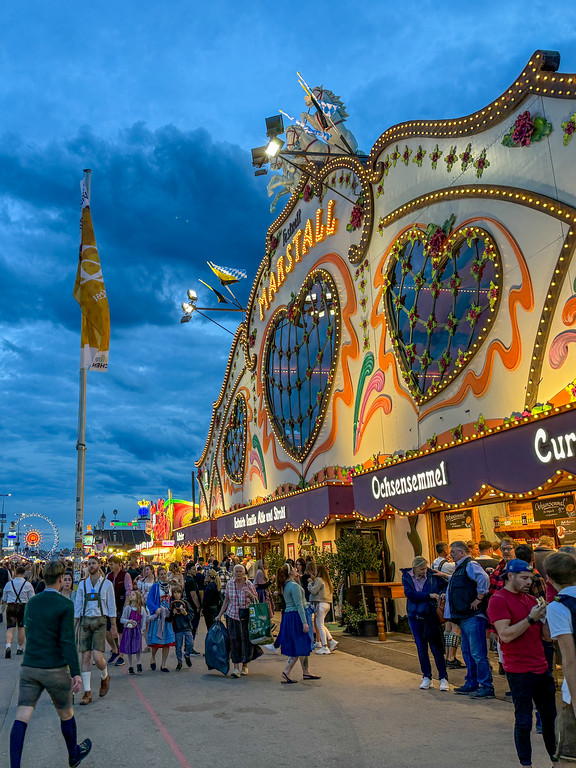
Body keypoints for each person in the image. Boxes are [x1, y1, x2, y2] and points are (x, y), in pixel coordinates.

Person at [9, 561, 91, 768]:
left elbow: (29, 630)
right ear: (60, 578)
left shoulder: (33, 603)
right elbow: (67, 641)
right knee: (66, 714)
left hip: (30, 667)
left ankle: (15, 764)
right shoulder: (65, 605)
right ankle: (73, 753)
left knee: (22, 716)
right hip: (54, 668)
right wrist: (76, 672)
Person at [488, 558, 557, 767]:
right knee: (524, 720)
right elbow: (505, 635)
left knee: (550, 720)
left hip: (540, 666)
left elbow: (546, 638)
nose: (529, 582)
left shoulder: (530, 600)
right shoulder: (498, 600)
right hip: (518, 669)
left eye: (531, 578)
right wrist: (530, 619)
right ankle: (526, 764)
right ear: (510, 576)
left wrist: (544, 617)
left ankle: (556, 761)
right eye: (524, 578)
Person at [445, 540, 494, 698]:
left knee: (478, 653)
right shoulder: (461, 567)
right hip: (464, 616)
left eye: (454, 551)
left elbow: (484, 579)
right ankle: (472, 682)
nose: (451, 554)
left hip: (473, 616)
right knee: (467, 652)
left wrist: (479, 598)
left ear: (462, 552)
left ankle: (486, 685)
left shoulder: (470, 564)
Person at [546, 551, 576, 761]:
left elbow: (569, 658)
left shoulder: (558, 606)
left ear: (549, 579)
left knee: (566, 758)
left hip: (572, 693)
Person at [402, 556, 449, 690]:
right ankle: (426, 676)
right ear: (415, 568)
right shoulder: (407, 577)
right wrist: (429, 595)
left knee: (436, 647)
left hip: (430, 615)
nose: (424, 571)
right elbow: (410, 594)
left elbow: (445, 584)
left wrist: (442, 594)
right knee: (421, 648)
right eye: (421, 569)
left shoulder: (432, 575)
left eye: (425, 568)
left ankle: (443, 678)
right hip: (414, 615)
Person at [74, 555, 116, 705]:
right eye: (89, 563)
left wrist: (114, 626)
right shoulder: (82, 585)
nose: (91, 566)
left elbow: (111, 606)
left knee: (98, 658)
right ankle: (87, 693)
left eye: (93, 563)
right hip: (85, 621)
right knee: (85, 657)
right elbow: (78, 606)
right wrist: (75, 625)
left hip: (100, 622)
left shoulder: (107, 584)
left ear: (99, 565)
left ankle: (105, 676)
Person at [215, 564, 262, 678]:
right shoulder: (230, 584)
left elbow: (256, 600)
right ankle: (236, 667)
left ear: (244, 572)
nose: (239, 573)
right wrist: (220, 614)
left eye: (241, 571)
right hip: (232, 616)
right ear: (233, 572)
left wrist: (250, 595)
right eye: (237, 571)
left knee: (246, 641)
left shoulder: (249, 584)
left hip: (246, 617)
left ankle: (245, 665)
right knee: (234, 641)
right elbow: (226, 600)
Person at [275, 563, 319, 684]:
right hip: (296, 616)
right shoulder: (293, 586)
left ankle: (305, 671)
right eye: (293, 569)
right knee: (300, 644)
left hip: (290, 615)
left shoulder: (287, 585)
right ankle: (287, 671)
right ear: (290, 573)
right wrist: (305, 622)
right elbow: (299, 604)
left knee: (300, 644)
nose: (296, 569)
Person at [146, 566, 175, 672]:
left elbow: (171, 600)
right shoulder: (155, 587)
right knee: (157, 642)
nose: (163, 576)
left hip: (167, 616)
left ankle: (163, 664)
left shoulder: (169, 587)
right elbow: (149, 601)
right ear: (158, 575)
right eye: (161, 574)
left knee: (167, 643)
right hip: (158, 617)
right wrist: (155, 609)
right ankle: (153, 657)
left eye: (165, 574)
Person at [2, 565, 35, 658]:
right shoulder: (28, 584)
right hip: (23, 607)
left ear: (15, 573)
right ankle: (19, 648)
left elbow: (4, 598)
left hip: (11, 606)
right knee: (21, 628)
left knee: (10, 628)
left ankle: (8, 646)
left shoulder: (9, 584)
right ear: (24, 573)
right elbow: (32, 598)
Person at [106, 556, 132, 666]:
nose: (111, 566)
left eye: (112, 564)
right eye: (110, 564)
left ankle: (122, 655)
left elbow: (129, 591)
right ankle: (115, 649)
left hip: (121, 605)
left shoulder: (125, 575)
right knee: (108, 631)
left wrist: (126, 606)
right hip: (110, 607)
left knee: (121, 631)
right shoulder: (109, 576)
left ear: (118, 564)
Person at [309, 565, 337, 655]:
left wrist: (310, 584)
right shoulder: (327, 581)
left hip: (320, 603)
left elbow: (314, 591)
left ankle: (325, 646)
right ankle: (331, 640)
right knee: (321, 624)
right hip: (327, 604)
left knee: (319, 625)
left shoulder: (319, 580)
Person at [169, 584, 199, 670]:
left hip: (187, 627)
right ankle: (179, 662)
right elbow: (169, 618)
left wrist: (185, 613)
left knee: (190, 643)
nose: (176, 595)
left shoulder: (185, 603)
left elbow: (191, 614)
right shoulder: (172, 604)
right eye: (175, 593)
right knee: (178, 646)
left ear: (181, 594)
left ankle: (187, 654)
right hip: (178, 628)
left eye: (178, 593)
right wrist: (172, 613)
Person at [119, 590, 148, 675]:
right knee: (129, 648)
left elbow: (144, 619)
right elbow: (122, 619)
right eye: (130, 595)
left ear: (137, 597)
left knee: (138, 648)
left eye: (133, 595)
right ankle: (130, 666)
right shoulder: (128, 608)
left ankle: (139, 663)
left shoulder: (141, 609)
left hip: (137, 630)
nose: (131, 596)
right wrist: (128, 621)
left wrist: (142, 629)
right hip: (129, 630)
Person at [184, 562, 202, 641]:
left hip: (189, 605)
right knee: (193, 627)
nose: (195, 571)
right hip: (192, 606)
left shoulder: (187, 580)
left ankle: (188, 646)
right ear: (188, 571)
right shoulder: (191, 581)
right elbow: (193, 595)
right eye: (193, 569)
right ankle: (189, 647)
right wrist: (198, 606)